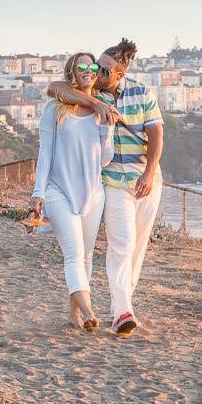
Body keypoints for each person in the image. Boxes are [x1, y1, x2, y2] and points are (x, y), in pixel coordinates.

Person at [48, 38, 164, 336]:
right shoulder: (91, 91)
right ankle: (123, 311)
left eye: (104, 70)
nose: (96, 72)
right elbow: (54, 89)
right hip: (113, 181)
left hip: (146, 179)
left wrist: (149, 173)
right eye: (96, 66)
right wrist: (96, 103)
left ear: (120, 75)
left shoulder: (142, 93)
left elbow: (156, 137)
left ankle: (122, 309)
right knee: (121, 243)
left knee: (136, 249)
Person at [29, 52, 114, 332]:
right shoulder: (54, 108)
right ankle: (89, 312)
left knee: (86, 256)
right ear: (72, 73)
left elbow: (105, 160)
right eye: (81, 67)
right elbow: (45, 154)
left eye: (92, 66)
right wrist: (38, 192)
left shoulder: (103, 110)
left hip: (93, 193)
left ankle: (72, 314)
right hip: (58, 191)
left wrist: (107, 130)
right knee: (74, 255)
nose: (88, 70)